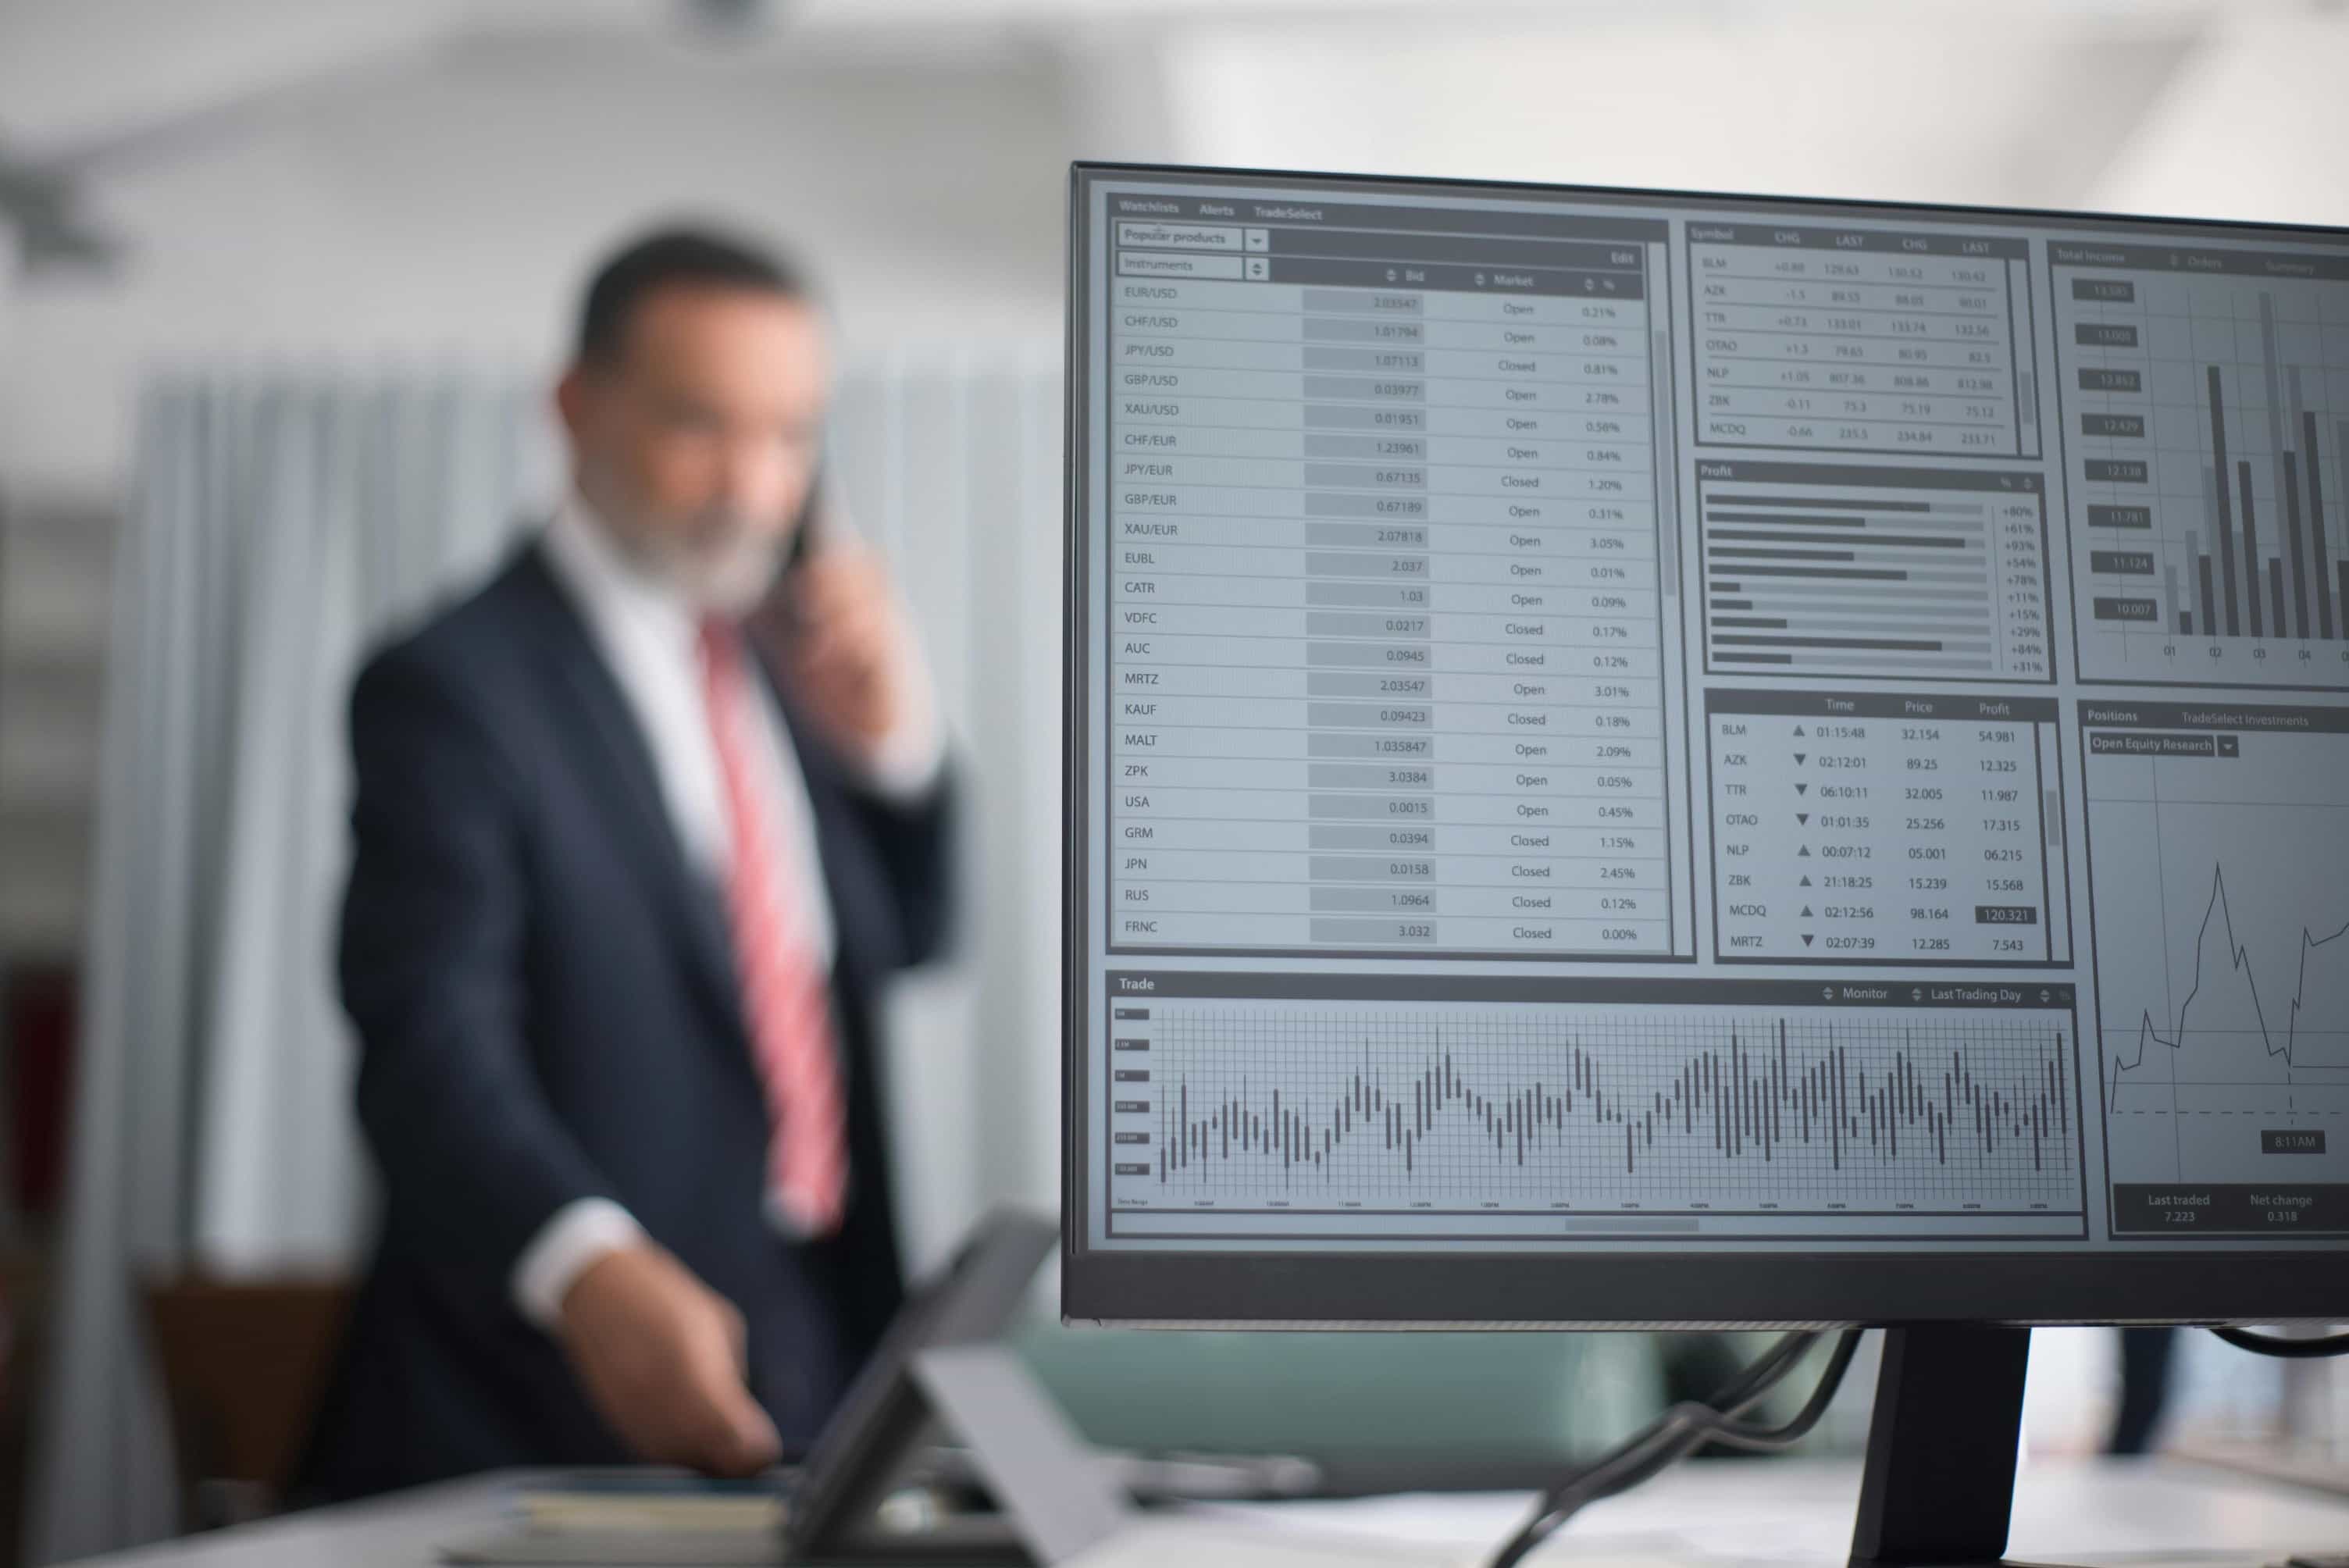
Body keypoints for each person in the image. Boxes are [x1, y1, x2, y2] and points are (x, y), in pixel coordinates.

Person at [297, 226, 955, 1499]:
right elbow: (428, 1040)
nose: (753, 486)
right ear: (575, 405)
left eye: (791, 435)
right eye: (702, 425)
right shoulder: (456, 685)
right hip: (540, 1399)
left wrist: (896, 750)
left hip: (815, 1354)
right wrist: (585, 1265)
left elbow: (903, 944)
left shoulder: (778, 667)